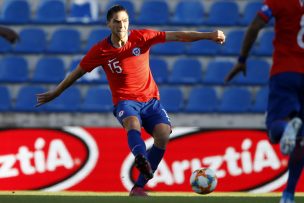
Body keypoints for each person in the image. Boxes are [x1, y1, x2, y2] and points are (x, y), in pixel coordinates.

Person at [36, 5, 226, 196]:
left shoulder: (141, 37)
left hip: (151, 100)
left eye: (125, 21)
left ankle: (138, 186)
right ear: (109, 24)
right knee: (132, 123)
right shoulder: (100, 50)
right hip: (125, 101)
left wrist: (209, 35)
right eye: (117, 21)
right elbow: (76, 73)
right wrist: (56, 92)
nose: (121, 25)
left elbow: (178, 35)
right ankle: (141, 158)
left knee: (163, 133)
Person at [225, 0, 304, 202]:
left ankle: (286, 129)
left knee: (275, 130)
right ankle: (288, 194)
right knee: (302, 141)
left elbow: (255, 26)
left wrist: (242, 59)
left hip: (285, 71)